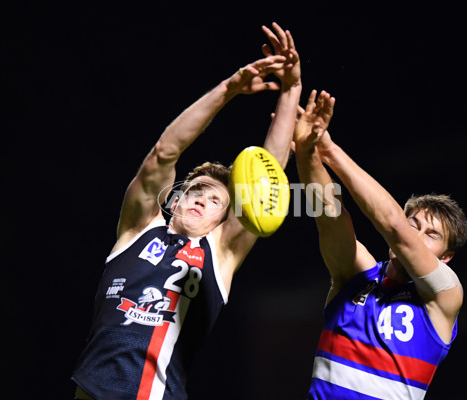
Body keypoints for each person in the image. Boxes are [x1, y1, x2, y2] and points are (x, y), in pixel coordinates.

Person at [71, 22, 302, 400]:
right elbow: (165, 151)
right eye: (196, 191)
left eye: (216, 201)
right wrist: (228, 89)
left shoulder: (222, 252)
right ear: (174, 199)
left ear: (224, 220)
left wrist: (291, 88)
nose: (202, 200)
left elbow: (268, 173)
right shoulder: (137, 230)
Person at [293, 90, 467, 399]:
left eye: (431, 235)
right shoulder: (357, 276)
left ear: (447, 257)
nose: (415, 235)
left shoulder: (445, 296)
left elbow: (394, 227)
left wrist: (330, 150)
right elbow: (327, 214)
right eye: (413, 224)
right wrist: (307, 152)